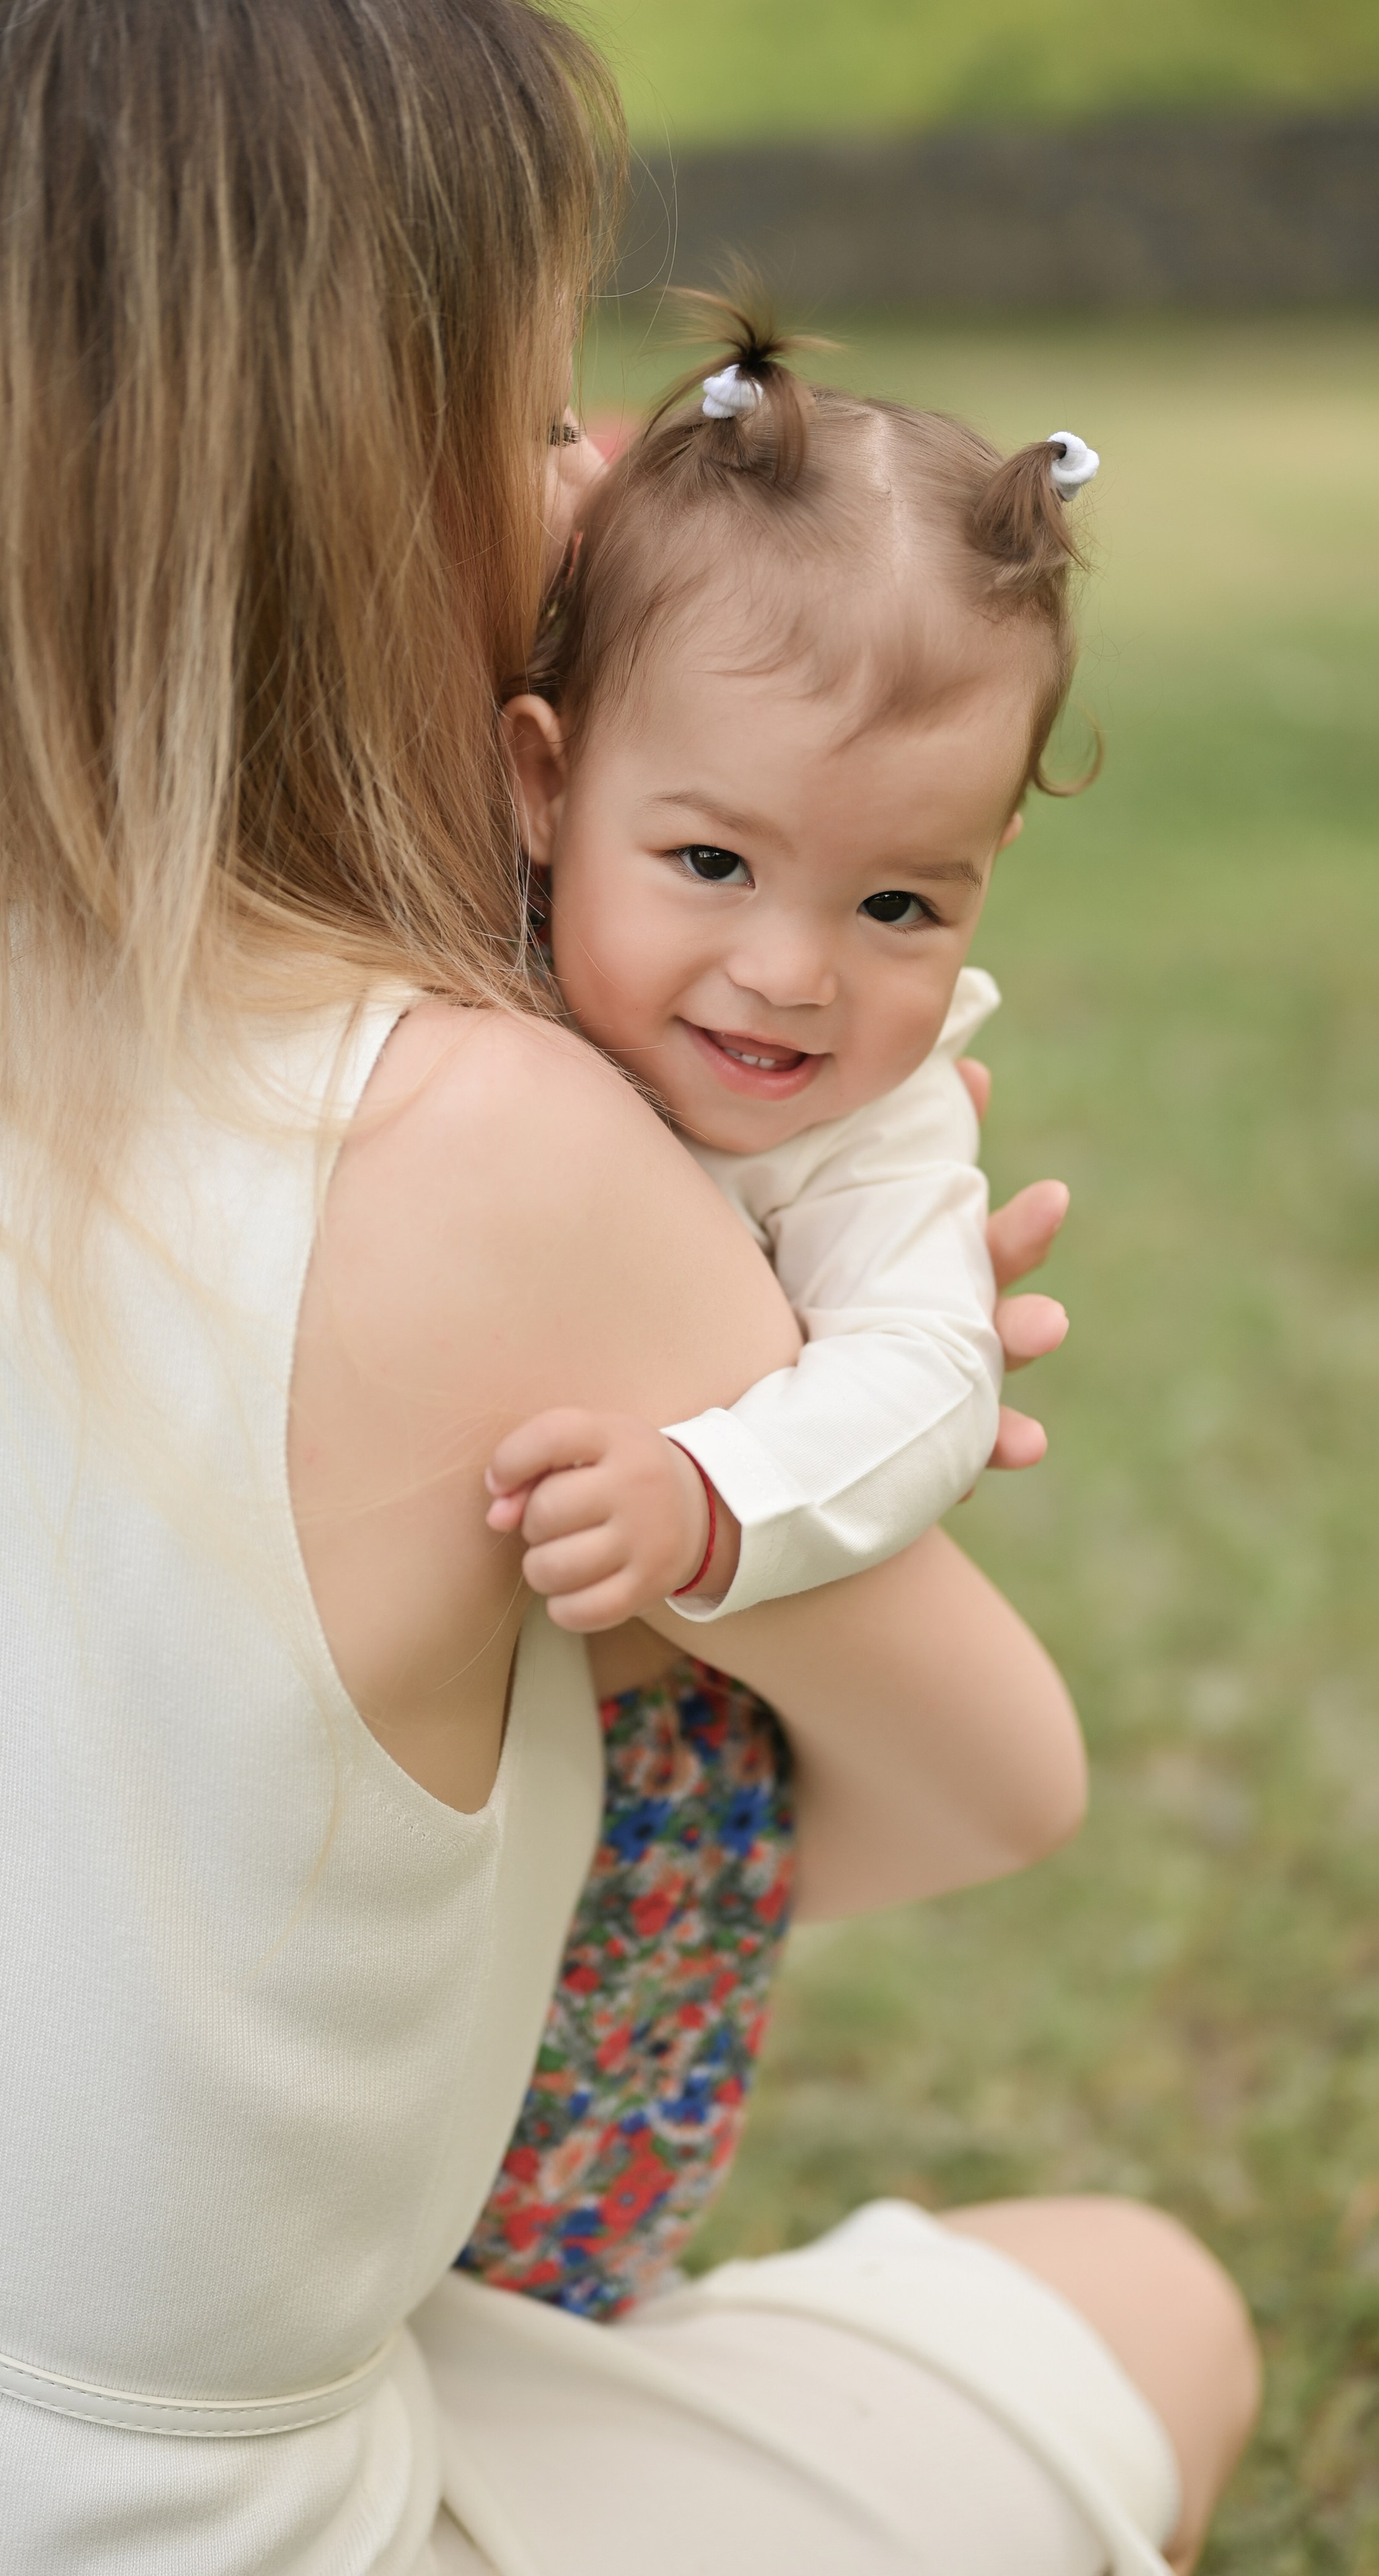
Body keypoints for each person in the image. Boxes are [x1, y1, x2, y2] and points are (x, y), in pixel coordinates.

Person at [0, 5, 1256, 2575]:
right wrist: (735, 1516)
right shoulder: (488, 1144)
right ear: (330, 502)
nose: (603, 472)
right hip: (145, 2523)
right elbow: (995, 1789)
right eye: (531, 419)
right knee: (1147, 2302)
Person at [455, 308, 1099, 2324]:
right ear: (543, 781)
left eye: (903, 902)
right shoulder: (468, 955)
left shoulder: (882, 1132)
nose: (796, 973)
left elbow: (927, 1375)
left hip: (646, 1811)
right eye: (715, 860)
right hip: (411, 1743)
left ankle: (546, 2339)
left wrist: (711, 1494)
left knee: (535, 2205)